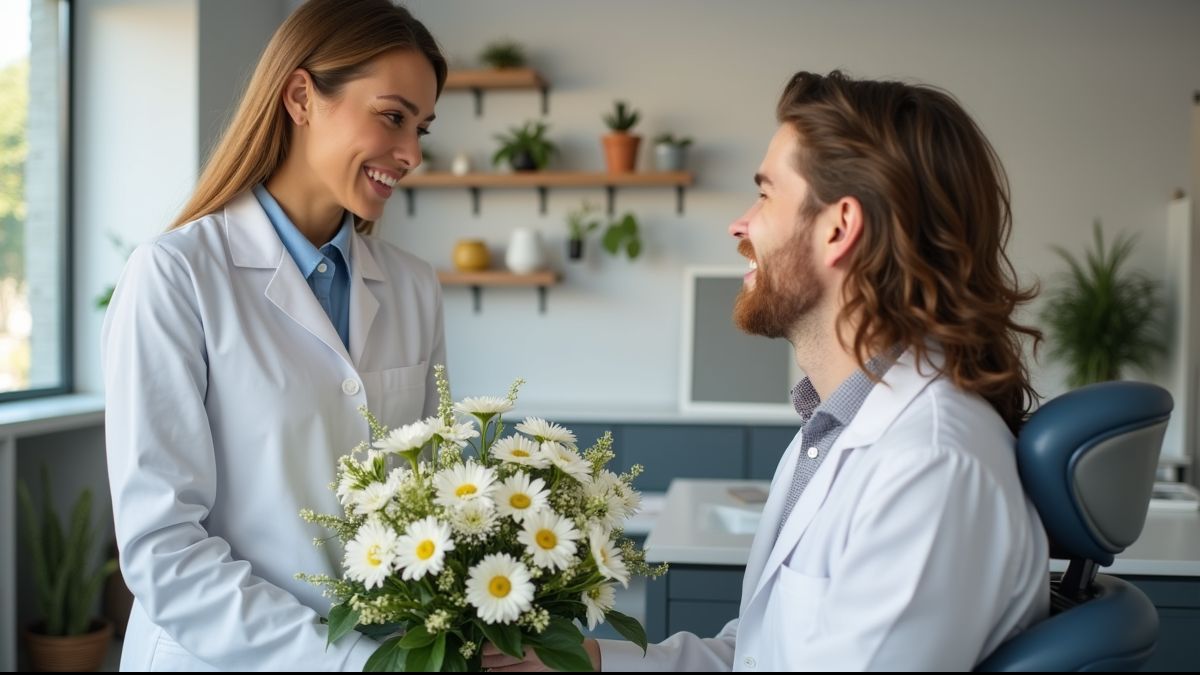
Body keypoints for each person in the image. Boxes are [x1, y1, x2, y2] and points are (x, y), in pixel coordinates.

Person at [483, 70, 1050, 671]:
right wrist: (589, 665)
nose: (740, 224)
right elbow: (760, 656)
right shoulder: (833, 430)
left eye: (764, 194)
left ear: (839, 228)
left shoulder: (928, 467)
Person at [102, 0, 447, 669]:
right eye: (393, 116)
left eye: (422, 129)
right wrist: (343, 660)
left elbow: (423, 504)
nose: (411, 153)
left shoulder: (413, 287)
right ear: (300, 97)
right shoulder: (175, 276)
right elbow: (164, 547)